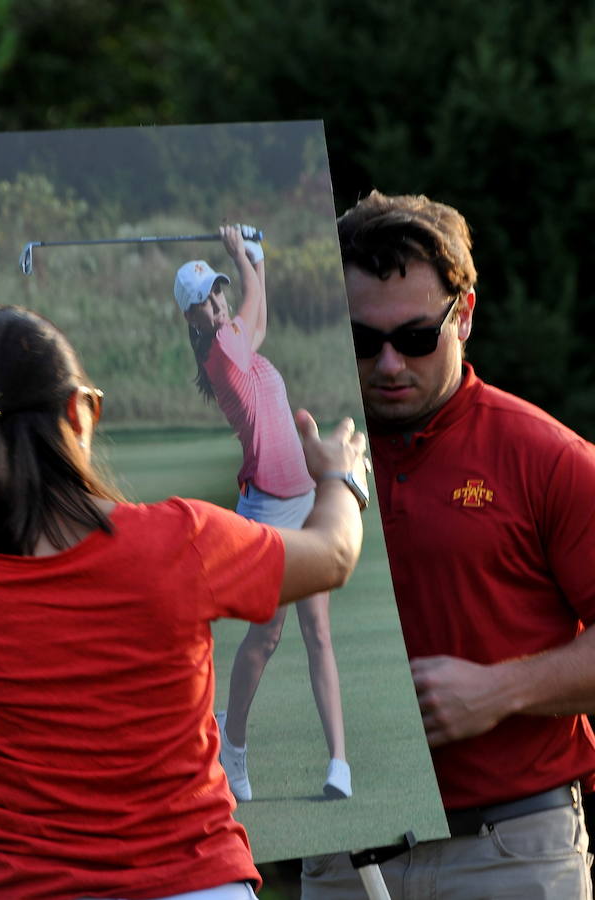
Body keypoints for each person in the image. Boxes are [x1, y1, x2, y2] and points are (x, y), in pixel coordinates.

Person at [0, 305, 370, 900]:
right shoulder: (179, 539)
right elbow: (333, 555)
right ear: (80, 411)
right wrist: (341, 476)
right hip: (194, 884)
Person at [301, 190, 595, 899]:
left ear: (463, 313)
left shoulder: (548, 457)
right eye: (363, 342)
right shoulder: (291, 458)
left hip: (510, 852)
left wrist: (501, 690)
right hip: (342, 852)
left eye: (416, 337)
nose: (389, 364)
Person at [174, 225, 362, 803]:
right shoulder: (218, 350)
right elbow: (254, 315)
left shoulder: (239, 338)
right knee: (267, 635)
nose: (216, 302)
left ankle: (338, 765)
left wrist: (257, 260)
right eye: (206, 300)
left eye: (219, 291)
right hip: (267, 513)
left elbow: (259, 317)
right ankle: (233, 746)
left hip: (307, 498)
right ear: (194, 316)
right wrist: (245, 256)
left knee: (318, 630)